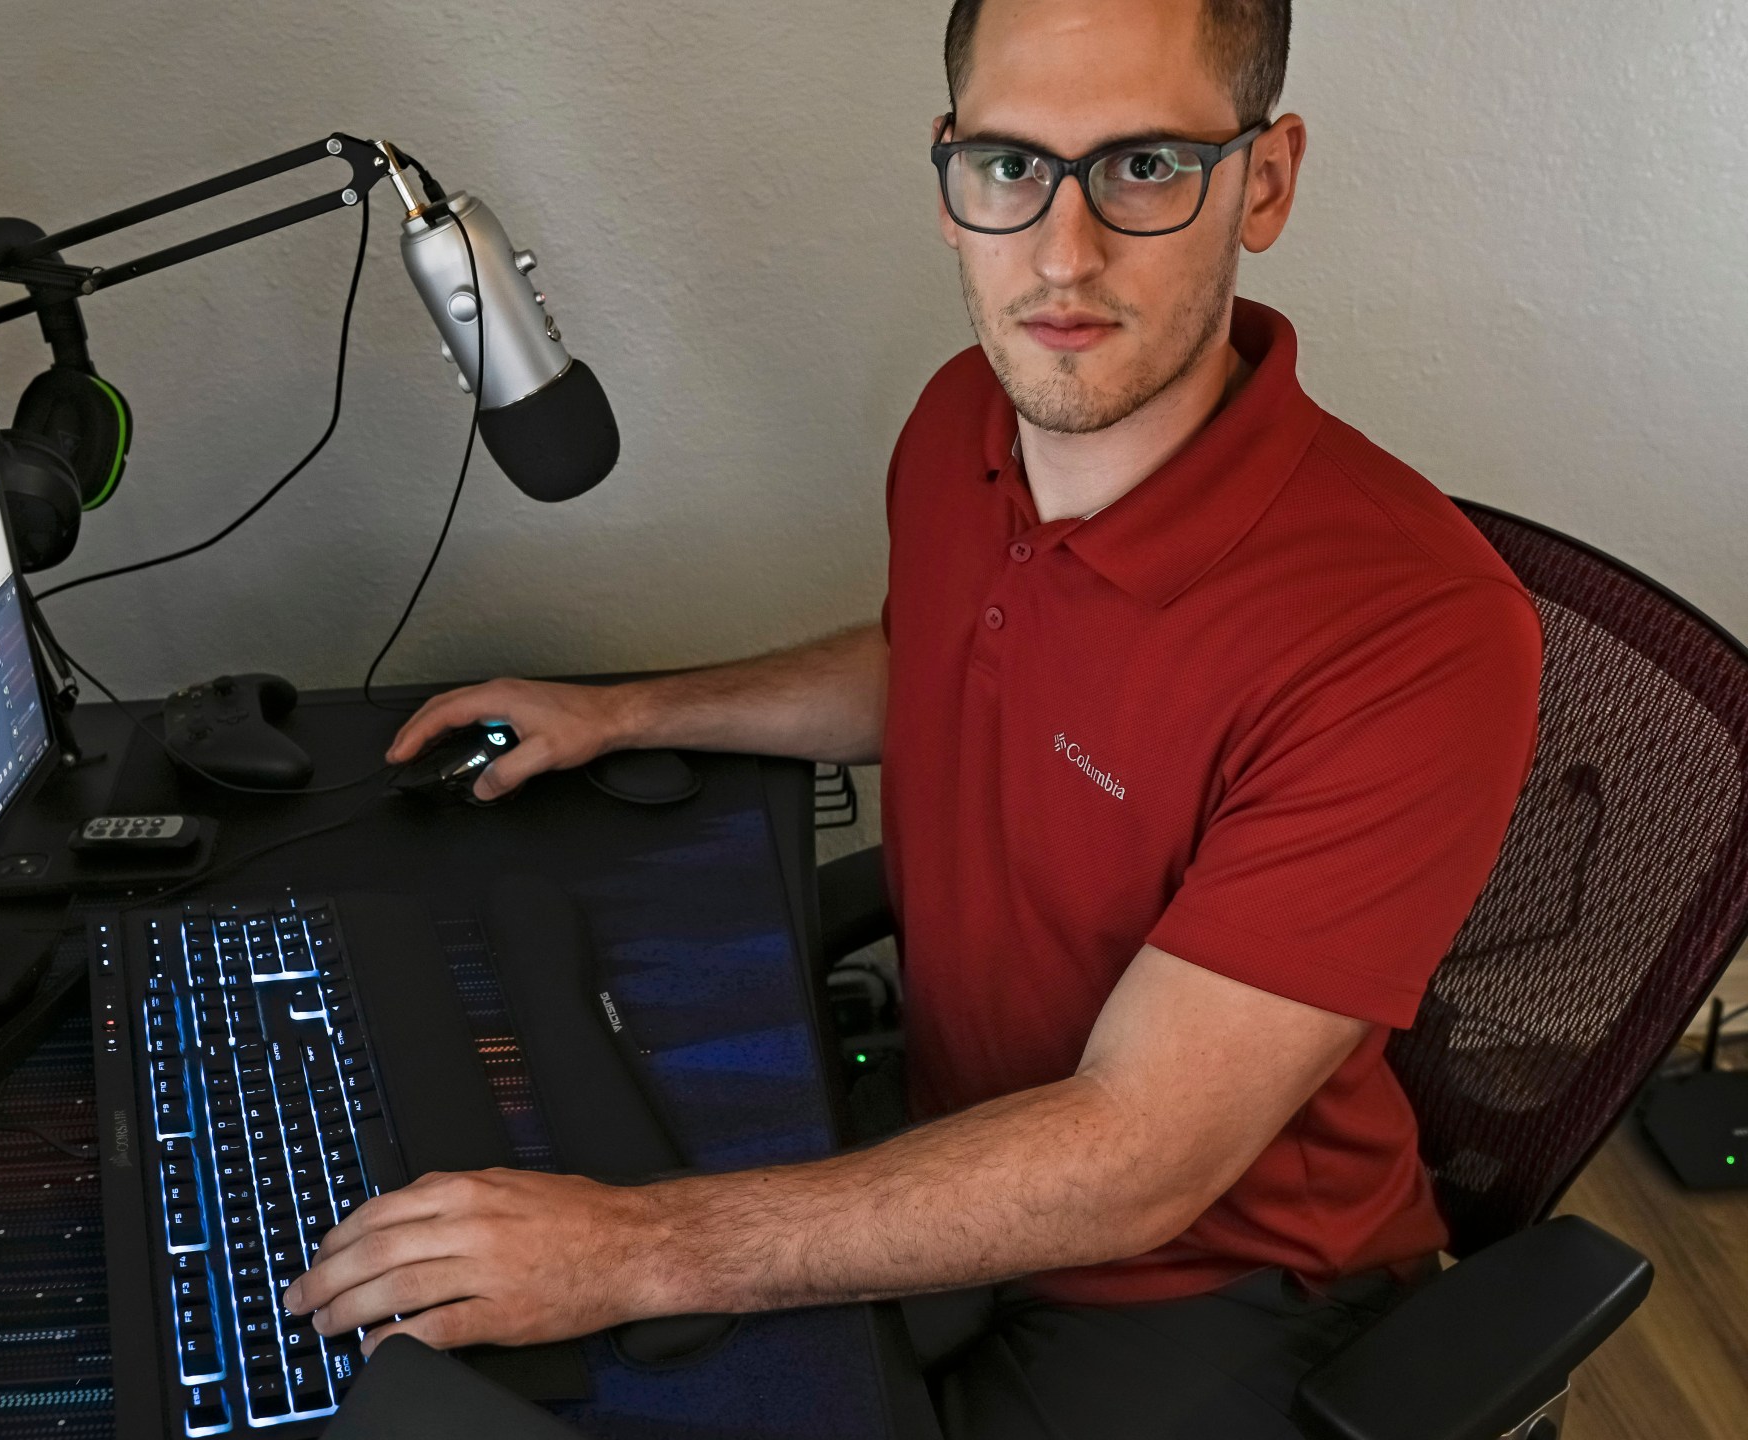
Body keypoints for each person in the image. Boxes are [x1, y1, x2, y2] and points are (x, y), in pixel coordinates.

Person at [283, 0, 1544, 1434]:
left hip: (1214, 1282)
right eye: (1011, 166)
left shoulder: (1416, 637)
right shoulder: (966, 418)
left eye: (1143, 167)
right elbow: (932, 659)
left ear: (1263, 179)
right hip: (943, 1143)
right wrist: (625, 712)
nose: (1061, 254)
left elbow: (1142, 1157)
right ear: (950, 175)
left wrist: (636, 1252)